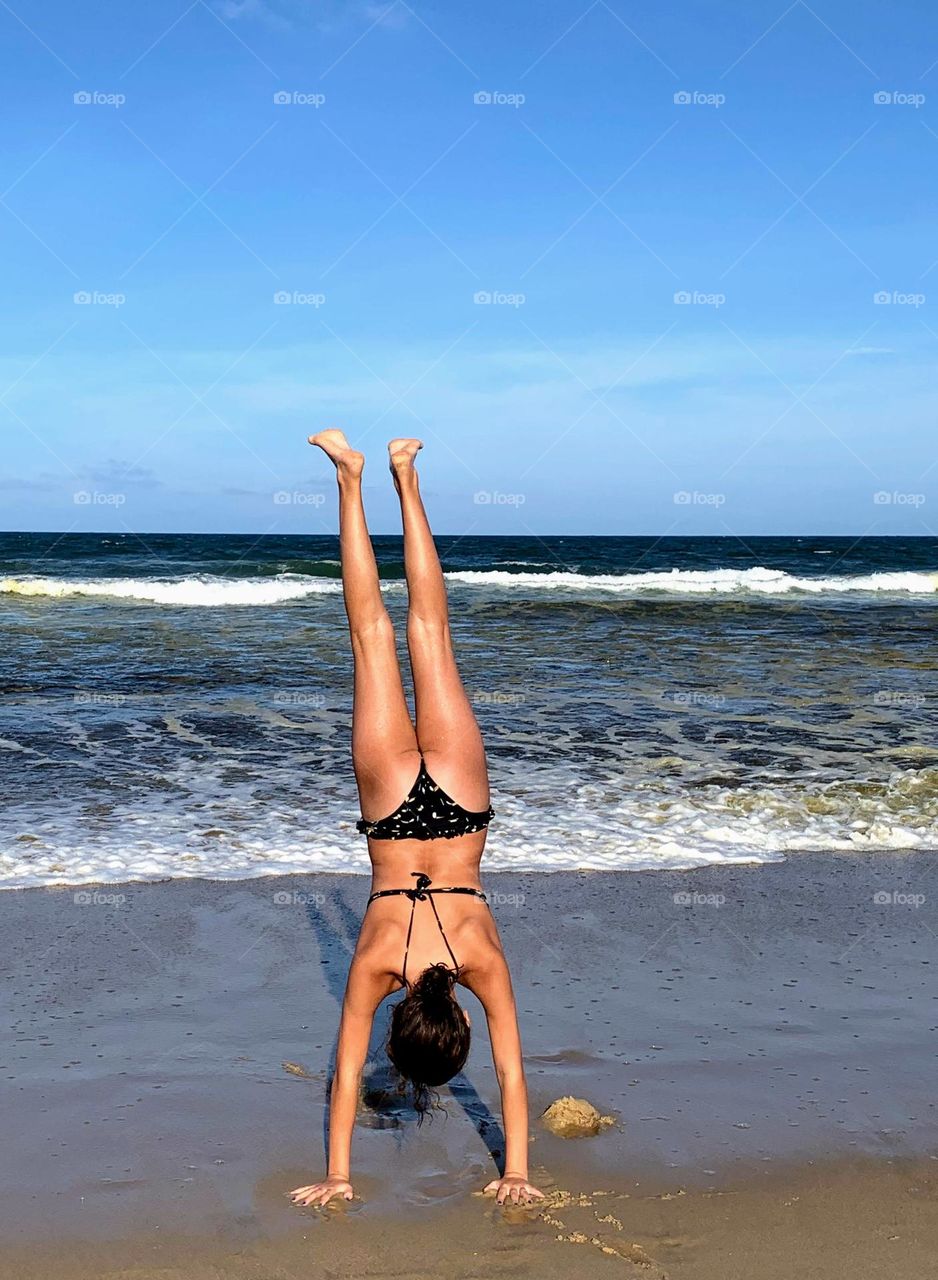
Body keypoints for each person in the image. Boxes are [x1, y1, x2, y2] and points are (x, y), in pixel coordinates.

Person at [290, 430, 544, 1209]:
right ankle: (348, 473)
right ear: (400, 1021)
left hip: (462, 809)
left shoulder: (483, 965)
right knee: (370, 640)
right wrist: (337, 1174)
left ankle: (406, 472)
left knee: (430, 633)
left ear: (454, 1015)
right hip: (392, 816)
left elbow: (511, 1073)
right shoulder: (374, 970)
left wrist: (520, 1170)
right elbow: (342, 1077)